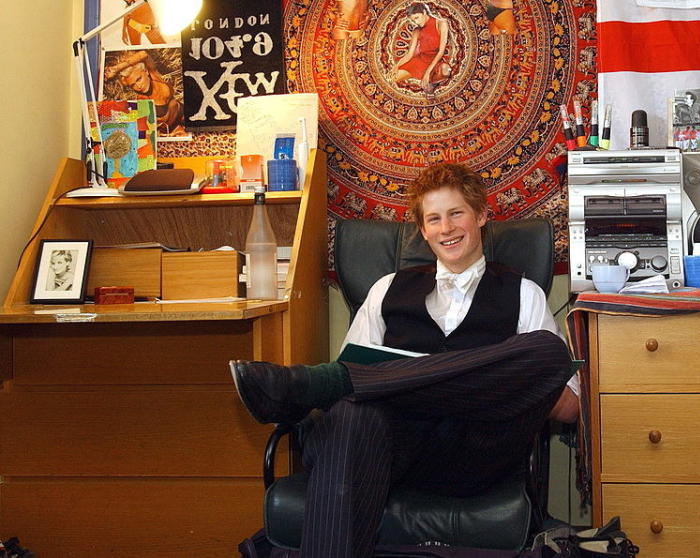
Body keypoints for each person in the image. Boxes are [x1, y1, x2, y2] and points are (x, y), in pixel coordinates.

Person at [230, 162, 578, 558]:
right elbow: (351, 391)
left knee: (547, 352)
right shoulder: (386, 290)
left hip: (476, 453)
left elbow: (569, 407)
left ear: (481, 216)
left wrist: (490, 380)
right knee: (350, 413)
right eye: (433, 219)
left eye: (456, 213)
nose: (446, 228)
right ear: (423, 230)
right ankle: (335, 383)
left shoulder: (524, 293)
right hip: (393, 451)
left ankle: (319, 380)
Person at [103, 50, 186, 136]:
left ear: (146, 71)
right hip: (172, 129)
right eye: (133, 85)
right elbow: (147, 131)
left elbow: (143, 54)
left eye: (139, 79)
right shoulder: (142, 99)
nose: (138, 86)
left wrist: (116, 68)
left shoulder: (155, 76)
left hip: (182, 112)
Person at [391, 3, 452, 95]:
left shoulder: (441, 23)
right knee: (393, 78)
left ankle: (432, 82)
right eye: (413, 20)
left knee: (446, 70)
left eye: (416, 18)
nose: (416, 22)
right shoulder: (417, 30)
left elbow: (441, 51)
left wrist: (427, 73)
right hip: (420, 61)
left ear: (424, 12)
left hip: (435, 62)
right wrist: (396, 66)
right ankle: (427, 81)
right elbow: (409, 54)